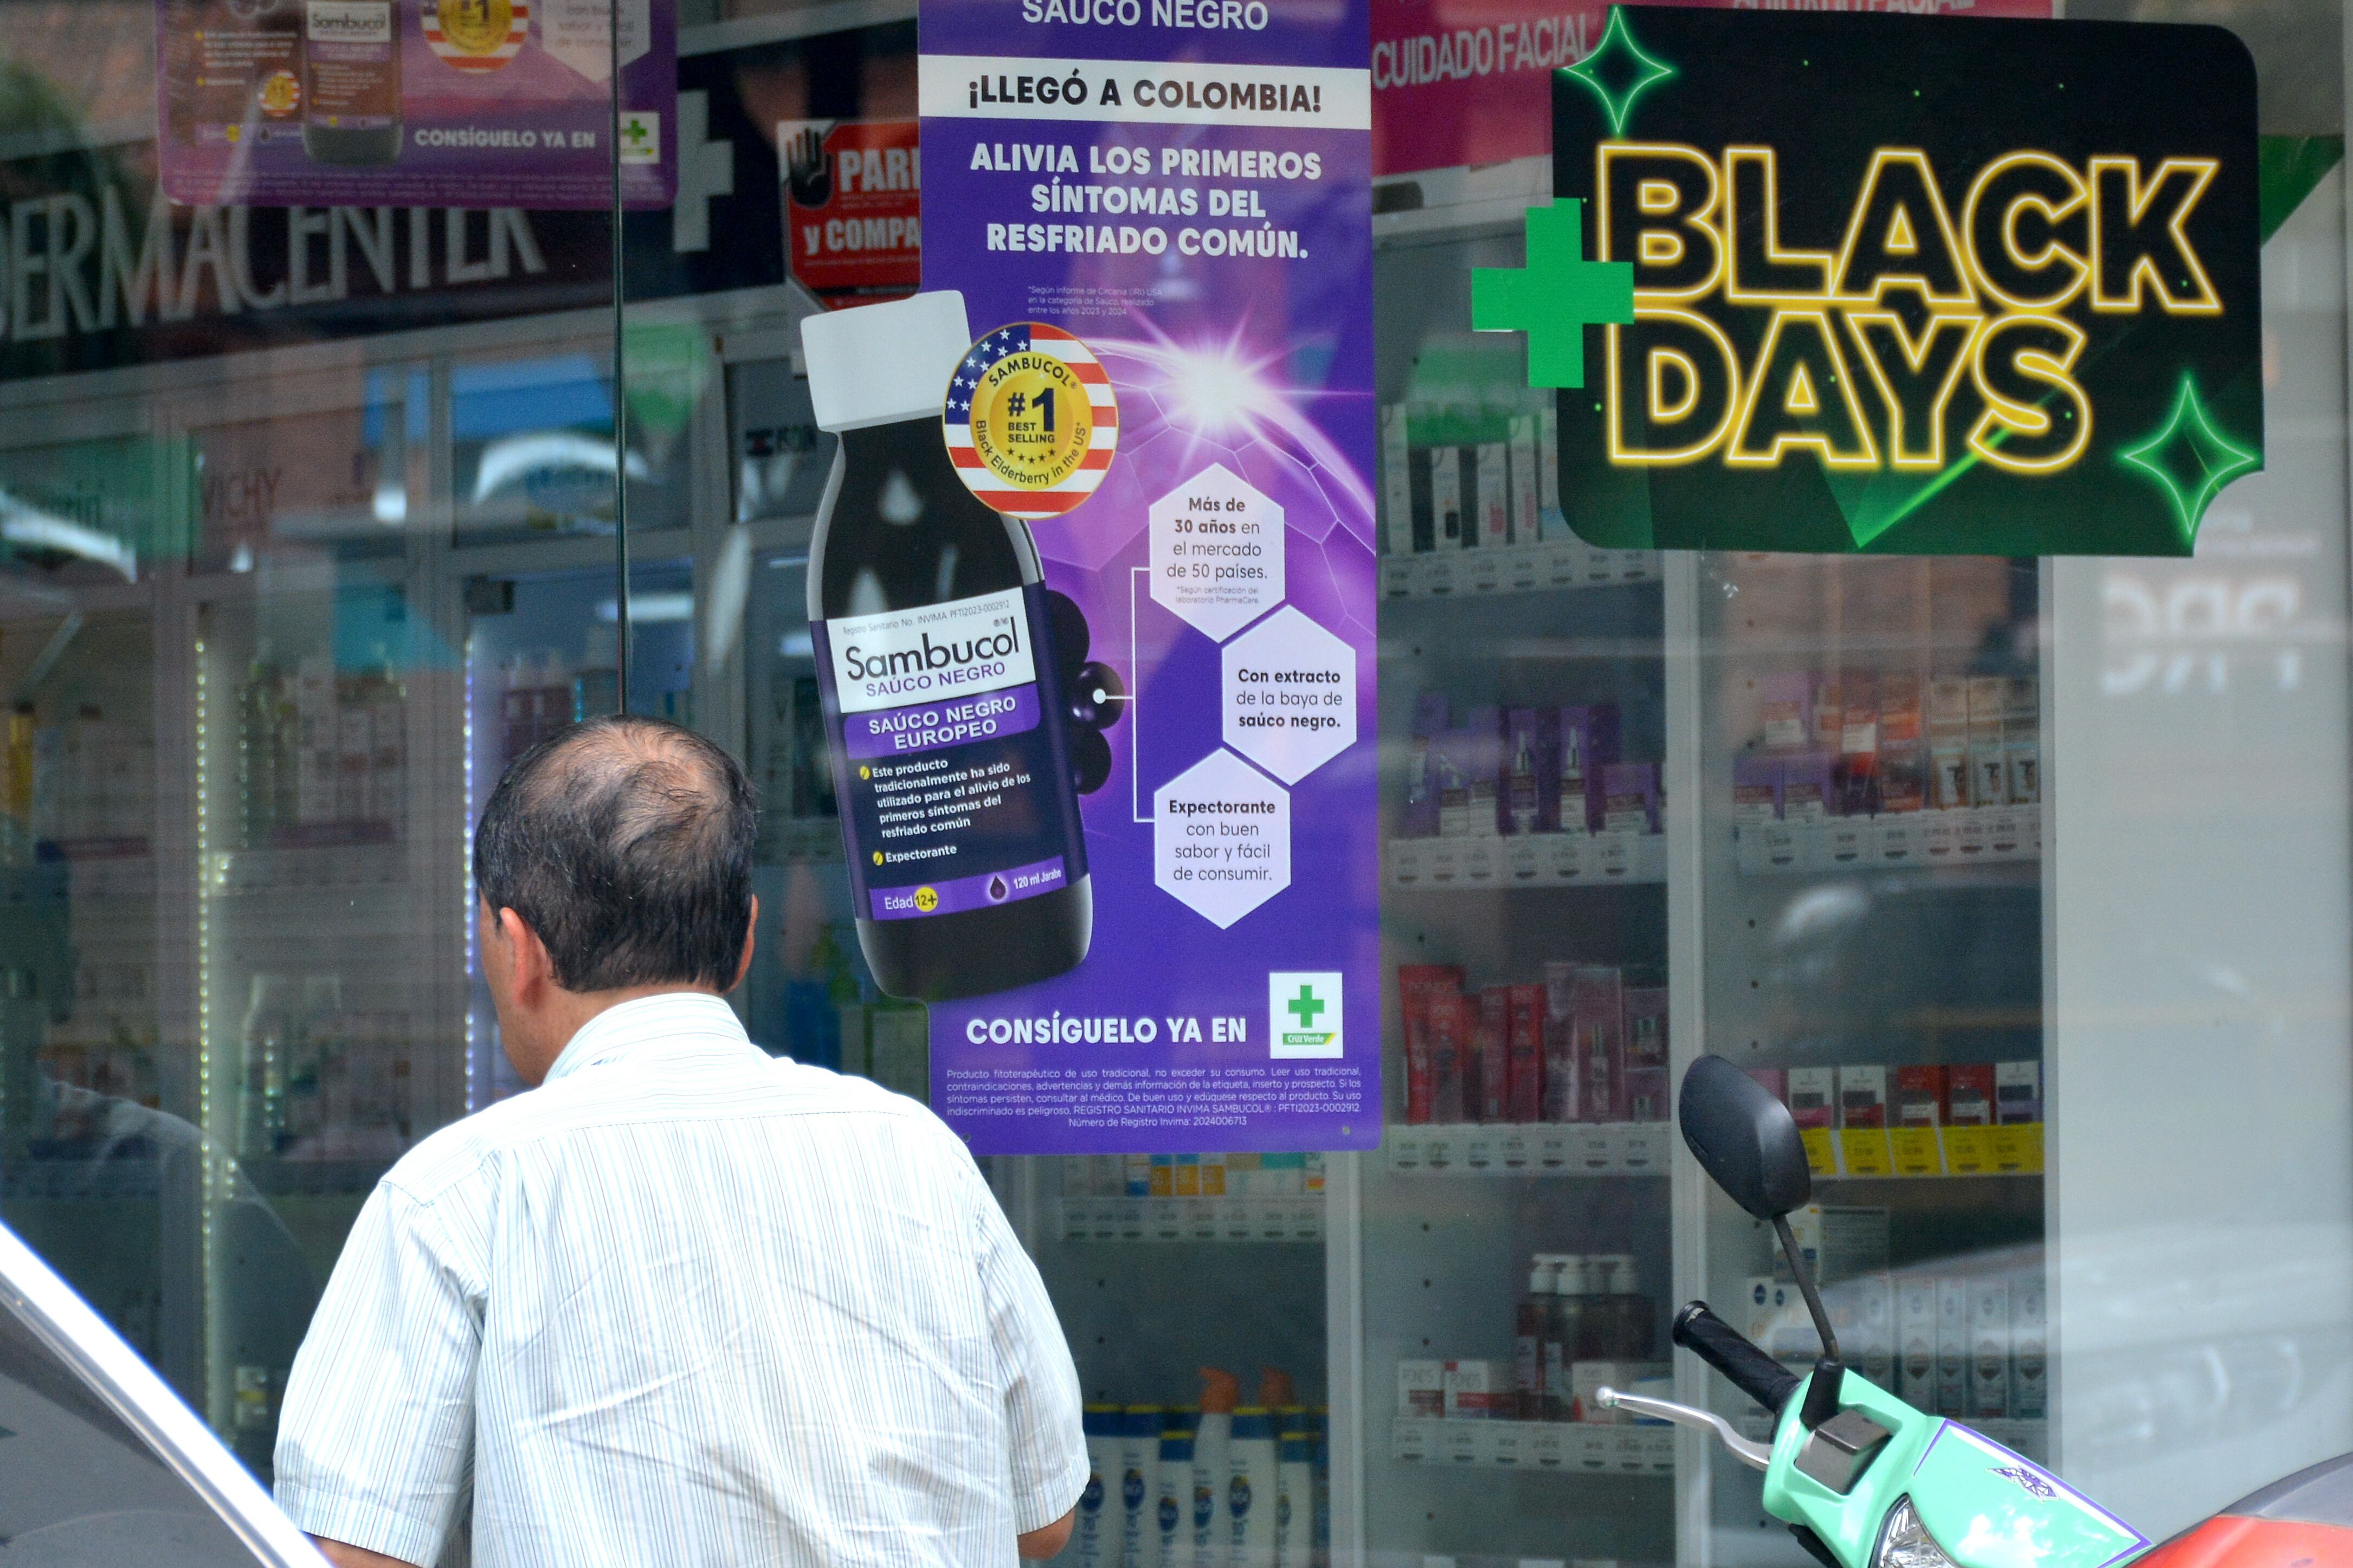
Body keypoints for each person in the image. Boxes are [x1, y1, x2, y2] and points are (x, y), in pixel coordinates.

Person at [273, 715, 1086, 1568]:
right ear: (743, 940)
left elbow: (351, 1552)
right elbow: (1042, 1515)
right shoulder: (918, 1153)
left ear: (519, 949)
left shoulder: (457, 1191)